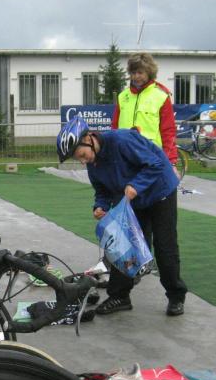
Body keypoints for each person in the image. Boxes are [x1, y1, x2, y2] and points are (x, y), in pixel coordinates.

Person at [57, 115, 187, 316]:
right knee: (124, 246)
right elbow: (102, 190)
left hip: (160, 193)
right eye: (77, 158)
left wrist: (136, 185)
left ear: (89, 138)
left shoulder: (121, 141)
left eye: (81, 154)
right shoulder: (93, 163)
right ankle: (119, 296)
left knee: (164, 246)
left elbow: (156, 164)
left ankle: (176, 296)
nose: (82, 161)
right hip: (134, 200)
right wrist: (99, 206)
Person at [111, 52, 180, 178]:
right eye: (133, 72)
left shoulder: (161, 96)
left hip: (151, 159)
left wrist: (171, 162)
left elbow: (168, 131)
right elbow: (114, 128)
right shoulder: (122, 96)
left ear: (149, 72)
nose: (136, 76)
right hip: (125, 158)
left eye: (140, 72)